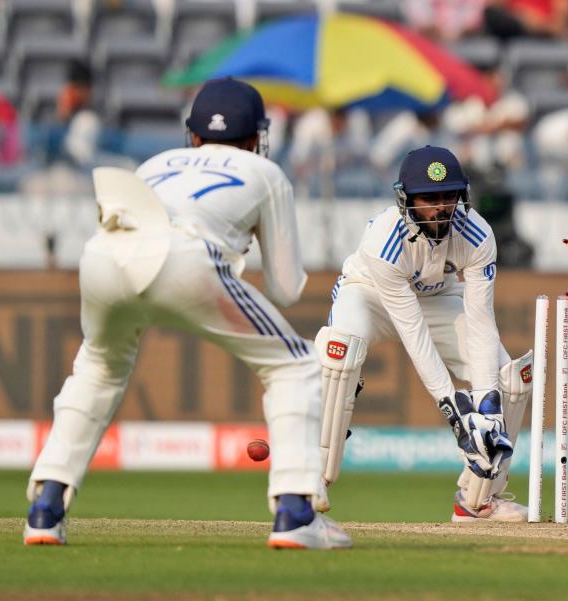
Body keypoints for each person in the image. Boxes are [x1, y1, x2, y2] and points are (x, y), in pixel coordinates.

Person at [22, 78, 351, 550]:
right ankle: (296, 512)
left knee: (98, 368)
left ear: (193, 135)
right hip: (186, 256)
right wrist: (247, 235)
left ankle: (45, 508)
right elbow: (284, 290)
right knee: (295, 365)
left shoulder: (155, 162)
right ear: (257, 138)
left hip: (102, 255)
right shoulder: (266, 173)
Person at [314, 145, 533, 522]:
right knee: (340, 352)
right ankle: (309, 482)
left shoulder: (477, 234)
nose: (441, 206)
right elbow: (413, 333)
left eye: (450, 195)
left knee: (509, 381)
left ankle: (477, 501)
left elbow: (480, 321)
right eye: (430, 198)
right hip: (368, 293)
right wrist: (452, 408)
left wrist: (484, 407)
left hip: (439, 296)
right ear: (406, 199)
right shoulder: (383, 242)